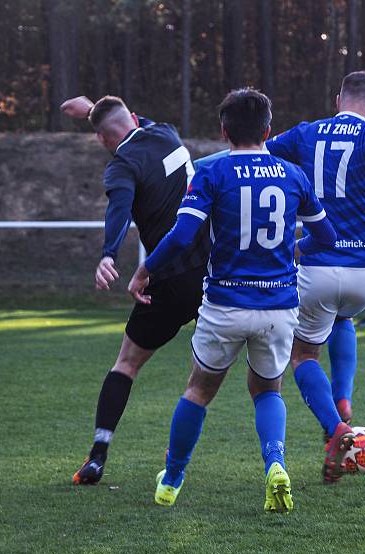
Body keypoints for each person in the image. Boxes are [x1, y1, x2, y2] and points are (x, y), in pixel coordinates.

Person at [127, 89, 337, 511]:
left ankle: (172, 478)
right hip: (279, 307)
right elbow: (326, 237)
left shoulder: (212, 174)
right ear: (269, 130)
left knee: (198, 391)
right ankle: (275, 465)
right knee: (267, 391)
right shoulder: (293, 175)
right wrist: (293, 250)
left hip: (225, 304)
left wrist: (144, 271)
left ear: (223, 131)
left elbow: (183, 236)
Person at [194, 72, 365, 479]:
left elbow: (249, 153)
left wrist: (193, 164)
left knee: (303, 354)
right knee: (343, 316)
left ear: (337, 98)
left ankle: (335, 427)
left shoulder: (307, 133)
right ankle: (342, 396)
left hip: (318, 265)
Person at [60, 95, 211, 485]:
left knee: (127, 364)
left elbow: (118, 210)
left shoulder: (122, 164)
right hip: (213, 272)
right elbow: (126, 119)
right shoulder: (166, 132)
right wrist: (94, 108)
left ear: (101, 139)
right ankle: (179, 445)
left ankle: (97, 455)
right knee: (210, 370)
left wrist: (109, 254)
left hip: (168, 278)